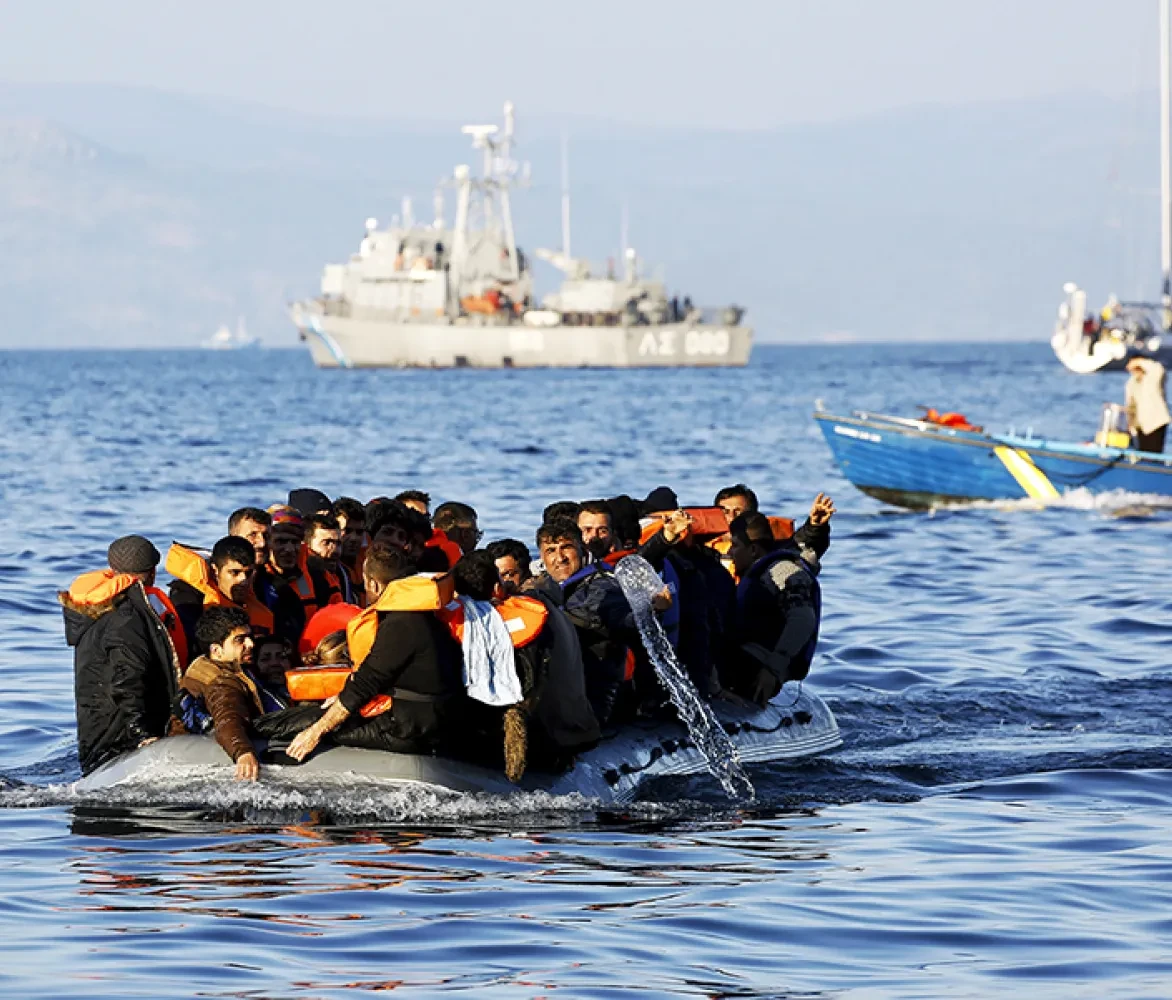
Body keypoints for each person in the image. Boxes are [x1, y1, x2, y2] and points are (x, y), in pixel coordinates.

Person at [285, 544, 469, 761]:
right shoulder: (427, 614)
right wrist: (340, 697)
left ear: (373, 584)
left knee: (295, 723)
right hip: (431, 718)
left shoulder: (401, 623)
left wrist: (315, 732)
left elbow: (366, 682)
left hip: (409, 729)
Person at [60, 535, 180, 775]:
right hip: (122, 740)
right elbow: (128, 676)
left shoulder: (100, 608)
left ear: (113, 569)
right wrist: (141, 733)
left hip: (97, 733)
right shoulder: (127, 617)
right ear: (153, 571)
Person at [487, 538, 600, 756]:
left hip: (553, 736)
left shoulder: (531, 615)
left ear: (526, 574)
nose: (503, 583)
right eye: (498, 576)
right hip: (573, 728)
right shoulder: (553, 603)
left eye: (510, 575)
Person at [535, 519, 645, 727]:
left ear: (582, 549)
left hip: (597, 694)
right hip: (564, 690)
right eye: (551, 551)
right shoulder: (542, 589)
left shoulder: (604, 585)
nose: (560, 558)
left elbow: (618, 618)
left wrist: (651, 610)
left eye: (567, 548)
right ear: (542, 557)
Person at [174, 606, 283, 781]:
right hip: (203, 752)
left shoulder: (232, 666)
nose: (251, 644)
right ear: (216, 650)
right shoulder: (219, 681)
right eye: (240, 640)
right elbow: (227, 716)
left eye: (249, 637)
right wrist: (243, 752)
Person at [726, 512, 821, 706]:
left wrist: (773, 669)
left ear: (753, 550)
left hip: (757, 665)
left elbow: (803, 619)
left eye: (735, 545)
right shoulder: (757, 573)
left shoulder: (782, 572)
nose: (729, 551)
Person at [166, 535, 274, 653]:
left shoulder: (265, 592)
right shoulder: (188, 600)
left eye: (248, 573)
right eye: (234, 572)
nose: (243, 581)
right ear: (215, 570)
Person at [267, 506, 341, 644]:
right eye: (280, 542)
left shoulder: (317, 574)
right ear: (267, 543)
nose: (289, 549)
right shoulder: (254, 577)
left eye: (294, 542)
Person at [1125, 357, 1170, 453]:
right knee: (1141, 452)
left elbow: (1157, 368)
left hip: (1156, 423)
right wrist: (1130, 424)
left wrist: (1139, 361)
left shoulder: (1153, 377)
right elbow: (1131, 405)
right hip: (1140, 425)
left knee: (1153, 451)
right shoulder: (1131, 383)